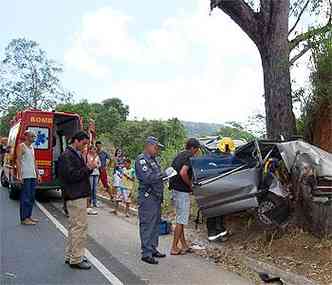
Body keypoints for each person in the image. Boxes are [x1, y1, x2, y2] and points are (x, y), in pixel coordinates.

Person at [58, 131, 97, 270]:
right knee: (79, 228)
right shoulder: (67, 155)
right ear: (76, 141)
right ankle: (76, 258)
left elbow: (80, 173)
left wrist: (89, 168)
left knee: (74, 228)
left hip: (77, 195)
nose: (85, 146)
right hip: (75, 196)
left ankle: (72, 255)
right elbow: (72, 176)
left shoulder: (73, 154)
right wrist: (88, 168)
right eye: (84, 143)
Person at [135, 136, 168, 265]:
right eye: (156, 147)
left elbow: (156, 177)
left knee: (155, 224)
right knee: (147, 224)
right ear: (148, 146)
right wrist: (163, 174)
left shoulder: (154, 160)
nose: (157, 150)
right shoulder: (141, 160)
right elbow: (147, 177)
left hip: (156, 197)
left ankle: (153, 248)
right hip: (148, 197)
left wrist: (165, 176)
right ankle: (146, 253)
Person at [169, 138, 200, 255]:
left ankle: (184, 245)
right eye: (196, 150)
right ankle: (174, 247)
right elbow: (183, 172)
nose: (196, 152)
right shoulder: (189, 156)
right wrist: (190, 185)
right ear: (193, 148)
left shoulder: (179, 155)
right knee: (181, 221)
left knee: (179, 219)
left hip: (175, 190)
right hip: (182, 192)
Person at [206, 137, 233, 241]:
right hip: (213, 188)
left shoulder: (215, 156)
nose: (229, 152)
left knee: (220, 212)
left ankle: (221, 232)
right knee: (213, 212)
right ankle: (213, 235)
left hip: (218, 188)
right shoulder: (215, 158)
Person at [16, 130, 40, 225]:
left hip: (32, 175)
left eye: (34, 136)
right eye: (32, 136)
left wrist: (38, 174)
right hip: (25, 175)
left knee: (31, 197)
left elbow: (34, 162)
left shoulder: (32, 147)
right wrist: (19, 175)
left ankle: (28, 217)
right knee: (25, 197)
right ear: (26, 136)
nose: (34, 138)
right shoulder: (21, 146)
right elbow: (18, 161)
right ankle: (24, 218)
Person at [87, 145, 101, 215]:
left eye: (94, 150)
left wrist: (96, 165)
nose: (94, 151)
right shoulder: (88, 156)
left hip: (96, 173)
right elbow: (90, 164)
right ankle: (90, 202)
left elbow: (99, 164)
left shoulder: (97, 156)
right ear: (90, 150)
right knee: (91, 188)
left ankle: (95, 202)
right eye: (93, 149)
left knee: (95, 188)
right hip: (91, 173)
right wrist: (94, 161)